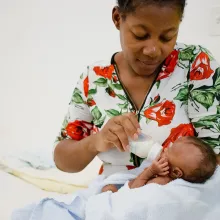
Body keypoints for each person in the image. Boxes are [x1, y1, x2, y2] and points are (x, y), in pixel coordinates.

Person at [54, 0, 220, 178]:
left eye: (167, 37)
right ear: (117, 18)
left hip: (178, 198)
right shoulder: (94, 78)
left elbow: (214, 155)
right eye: (140, 35)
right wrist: (97, 141)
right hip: (113, 198)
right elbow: (63, 161)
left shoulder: (195, 65)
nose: (152, 50)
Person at [101, 136, 217, 193]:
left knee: (108, 189)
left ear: (176, 172)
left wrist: (149, 172)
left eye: (169, 151)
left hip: (123, 197)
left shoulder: (162, 182)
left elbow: (134, 193)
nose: (165, 150)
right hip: (124, 188)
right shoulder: (162, 175)